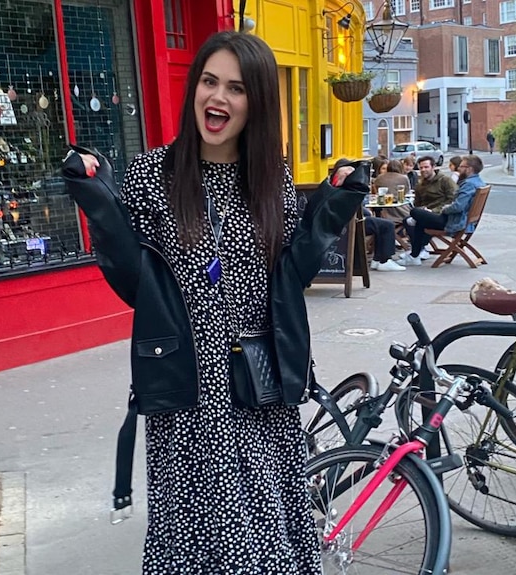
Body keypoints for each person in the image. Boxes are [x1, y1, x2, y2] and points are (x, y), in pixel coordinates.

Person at [61, 31, 368, 574]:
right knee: (194, 536)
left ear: (257, 102)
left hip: (259, 385)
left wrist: (332, 206)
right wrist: (101, 206)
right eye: (209, 81)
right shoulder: (153, 176)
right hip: (186, 388)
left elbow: (290, 276)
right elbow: (136, 284)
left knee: (266, 534)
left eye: (236, 87)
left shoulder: (270, 179)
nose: (217, 98)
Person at [401, 154, 484, 266]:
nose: (458, 169)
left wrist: (443, 210)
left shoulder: (467, 184)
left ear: (469, 169)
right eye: (421, 168)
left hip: (454, 222)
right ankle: (416, 254)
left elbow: (457, 206)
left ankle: (415, 254)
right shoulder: (477, 182)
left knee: (415, 214)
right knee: (416, 218)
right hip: (461, 220)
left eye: (461, 166)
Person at [332, 158, 405, 272]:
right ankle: (384, 260)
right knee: (387, 225)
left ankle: (377, 260)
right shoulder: (345, 185)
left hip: (342, 222)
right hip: (350, 225)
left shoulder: (332, 183)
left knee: (377, 222)